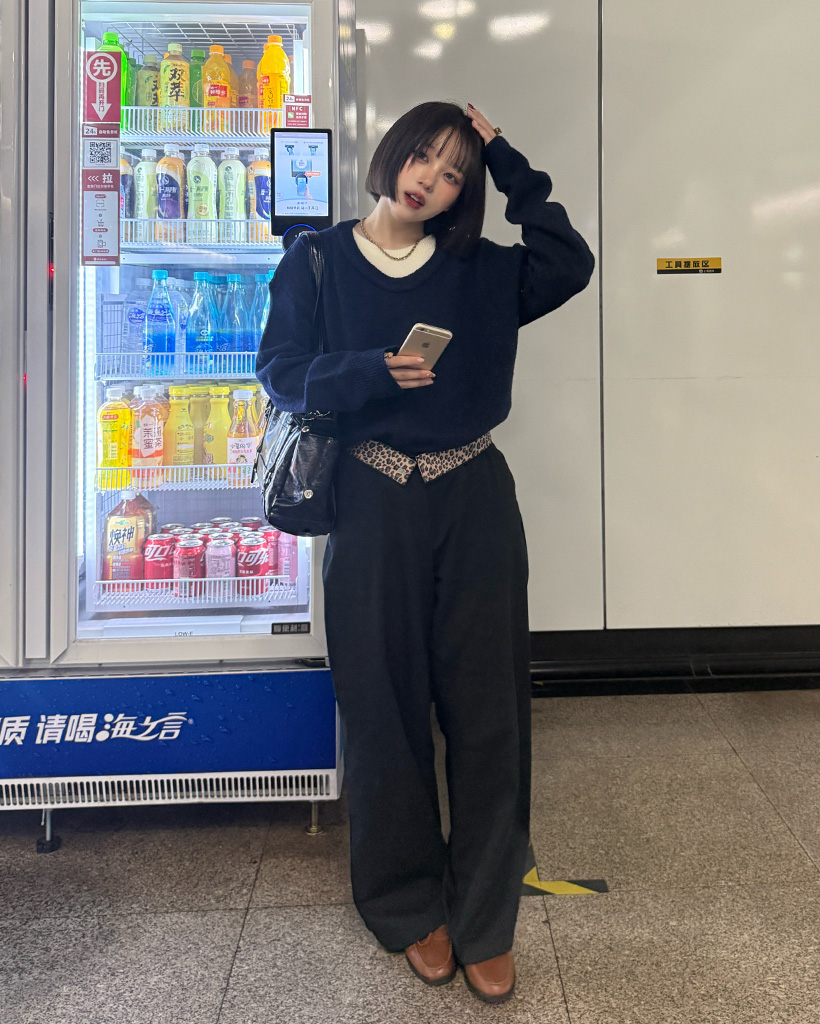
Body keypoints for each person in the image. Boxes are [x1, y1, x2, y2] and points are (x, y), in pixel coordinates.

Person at [256, 100, 594, 1004]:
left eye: (453, 174)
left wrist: (505, 157)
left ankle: (485, 914)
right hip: (369, 500)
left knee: (487, 710)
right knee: (383, 706)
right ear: (392, 153)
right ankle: (407, 904)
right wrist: (367, 369)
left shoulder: (479, 268)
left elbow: (569, 260)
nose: (430, 181)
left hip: (473, 494)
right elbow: (280, 370)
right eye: (423, 158)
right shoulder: (317, 259)